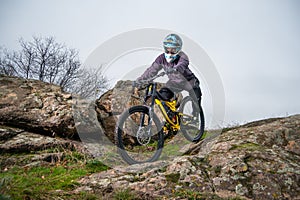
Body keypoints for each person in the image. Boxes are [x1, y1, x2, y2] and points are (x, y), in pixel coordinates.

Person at [135, 33, 202, 115]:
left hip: (189, 81)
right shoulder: (161, 58)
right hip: (174, 83)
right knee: (162, 95)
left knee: (196, 98)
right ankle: (169, 116)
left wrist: (175, 69)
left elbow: (182, 64)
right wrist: (140, 80)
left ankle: (196, 116)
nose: (170, 52)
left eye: (173, 50)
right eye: (167, 49)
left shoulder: (183, 56)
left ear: (178, 49)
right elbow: (151, 70)